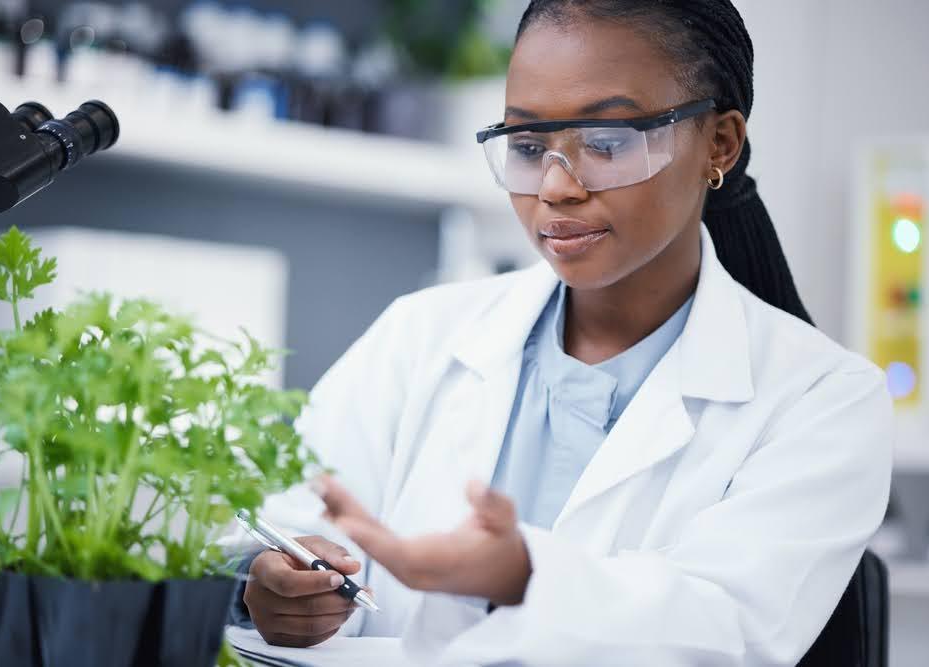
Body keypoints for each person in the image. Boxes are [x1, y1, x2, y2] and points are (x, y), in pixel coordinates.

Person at [228, 1, 894, 664]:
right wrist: (276, 580)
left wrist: (523, 573)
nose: (555, 186)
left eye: (605, 143)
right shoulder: (421, 333)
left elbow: (726, 629)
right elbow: (291, 522)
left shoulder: (825, 399)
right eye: (527, 145)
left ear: (719, 143)